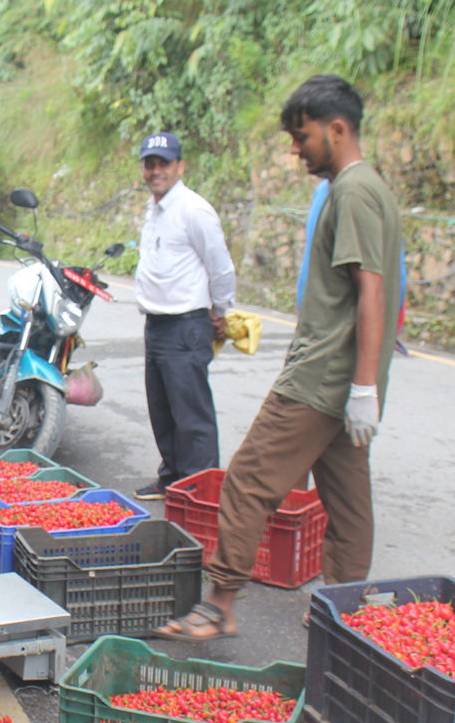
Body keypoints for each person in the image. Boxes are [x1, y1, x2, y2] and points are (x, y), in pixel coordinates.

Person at [157, 75, 402, 640]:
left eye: (303, 136)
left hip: (321, 379)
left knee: (247, 481)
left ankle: (219, 605)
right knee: (347, 503)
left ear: (336, 130)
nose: (296, 150)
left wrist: (363, 384)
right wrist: (364, 387)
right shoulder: (369, 188)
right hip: (343, 384)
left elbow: (372, 289)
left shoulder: (355, 191)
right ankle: (346, 617)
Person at [131, 132, 236, 500]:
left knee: (192, 418)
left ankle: (201, 494)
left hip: (186, 325)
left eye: (164, 163)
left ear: (180, 166)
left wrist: (221, 311)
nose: (156, 170)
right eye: (150, 163)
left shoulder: (193, 209)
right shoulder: (155, 208)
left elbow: (220, 266)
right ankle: (173, 479)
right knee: (162, 410)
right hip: (157, 324)